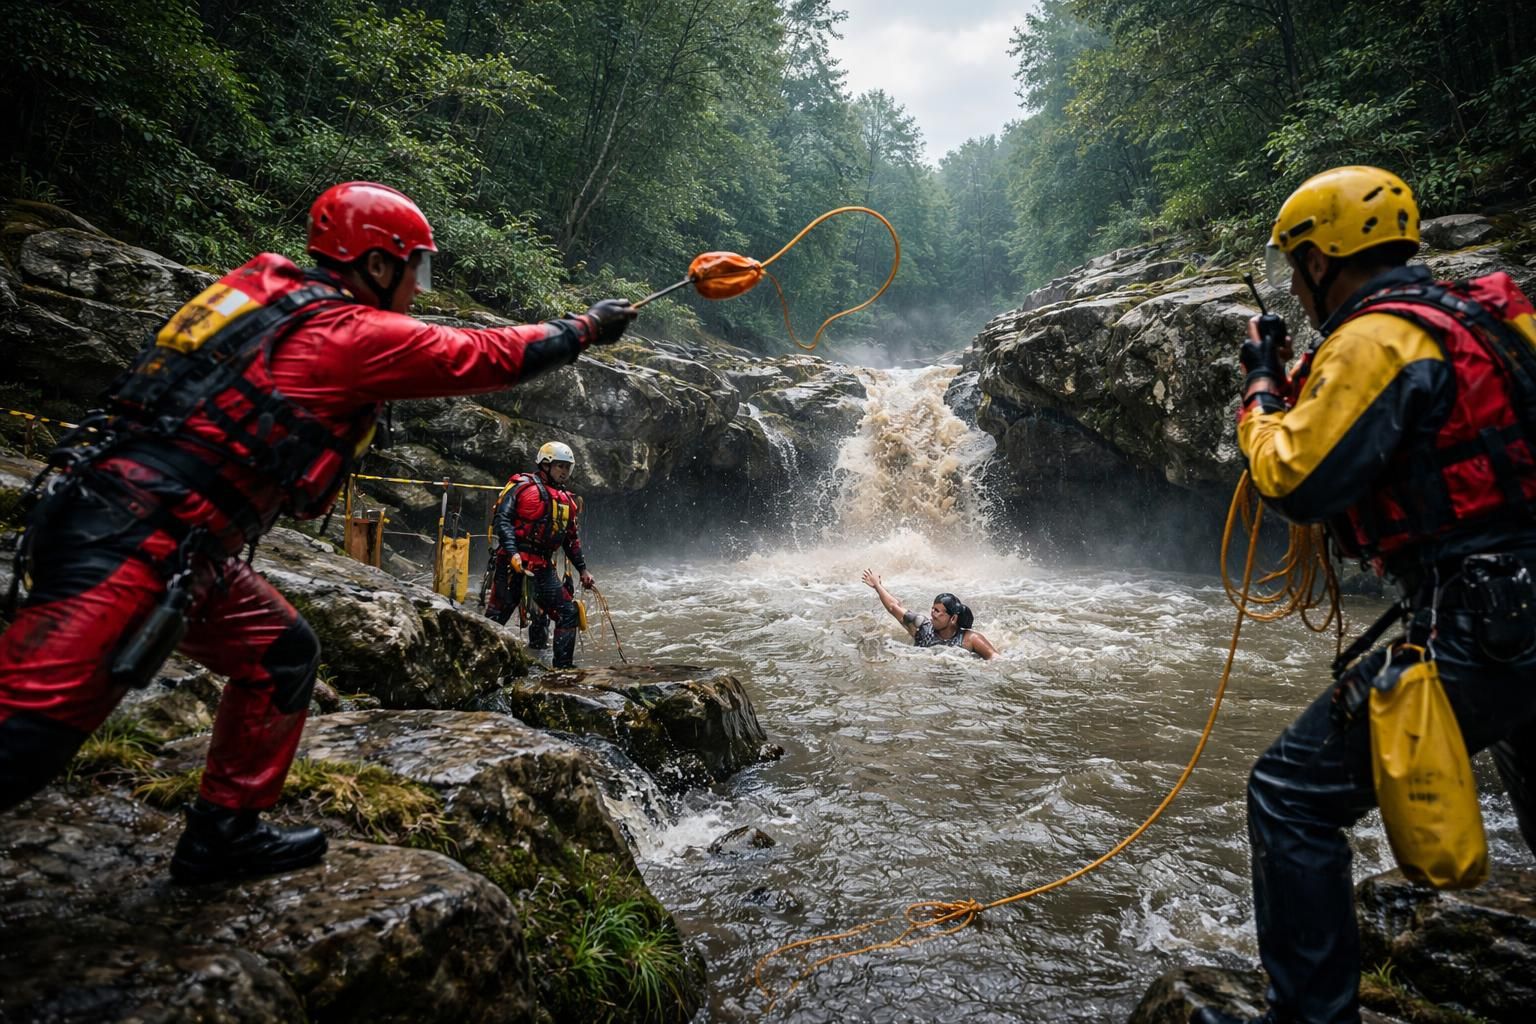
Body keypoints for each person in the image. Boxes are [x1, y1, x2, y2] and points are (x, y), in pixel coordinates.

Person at [0, 181, 638, 883]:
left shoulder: (263, 291)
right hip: (130, 533)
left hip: (186, 544)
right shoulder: (344, 333)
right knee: (31, 730)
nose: (417, 290)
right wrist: (585, 328)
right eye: (413, 271)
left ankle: (223, 836)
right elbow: (481, 356)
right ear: (373, 265)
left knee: (283, 656)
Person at [1203, 165, 1536, 1024]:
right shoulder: (1498, 313)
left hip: (1482, 616)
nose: (1294, 283)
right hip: (1518, 598)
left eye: (1295, 265)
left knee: (1289, 795)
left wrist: (1262, 392)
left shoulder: (1376, 339)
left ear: (1320, 261)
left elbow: (1294, 479)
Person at [486, 441, 593, 669]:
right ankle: (478, 668)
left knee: (568, 612)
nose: (564, 471)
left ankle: (562, 673)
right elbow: (502, 520)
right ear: (545, 465)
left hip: (541, 567)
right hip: (512, 563)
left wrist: (583, 570)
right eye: (559, 466)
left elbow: (570, 540)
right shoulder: (522, 486)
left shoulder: (567, 501)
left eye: (567, 467)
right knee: (495, 619)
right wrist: (513, 553)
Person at [860, 569, 997, 659]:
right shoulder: (922, 628)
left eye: (937, 611)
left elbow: (995, 659)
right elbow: (893, 606)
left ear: (953, 618)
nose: (932, 614)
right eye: (932, 609)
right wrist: (877, 586)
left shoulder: (970, 639)